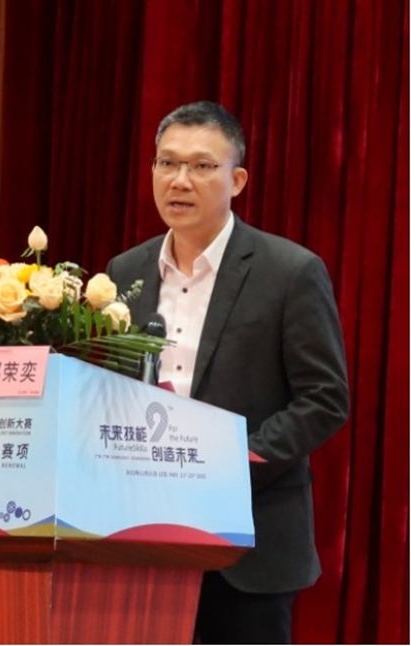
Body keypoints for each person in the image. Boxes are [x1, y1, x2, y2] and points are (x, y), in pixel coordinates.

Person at [106, 101, 349, 644]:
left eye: (201, 166)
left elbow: (324, 399)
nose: (180, 181)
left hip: (249, 542)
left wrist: (231, 465)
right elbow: (109, 390)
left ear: (236, 180)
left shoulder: (289, 272)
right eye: (167, 163)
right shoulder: (126, 271)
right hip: (142, 534)